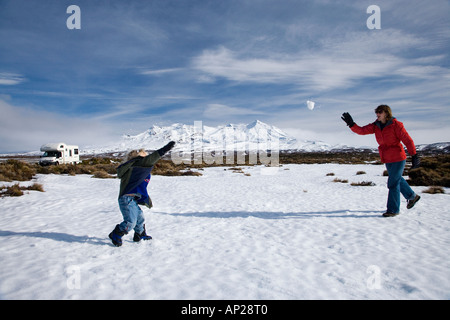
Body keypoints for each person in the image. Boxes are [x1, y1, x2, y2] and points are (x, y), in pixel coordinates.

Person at [341, 105, 421, 217]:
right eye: (376, 112)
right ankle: (412, 197)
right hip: (387, 158)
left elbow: (407, 140)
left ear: (386, 113)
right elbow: (362, 130)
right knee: (397, 179)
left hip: (398, 158)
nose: (377, 114)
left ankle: (393, 210)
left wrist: (414, 155)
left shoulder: (396, 125)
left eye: (380, 112)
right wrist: (351, 124)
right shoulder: (376, 125)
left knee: (393, 183)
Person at [109, 141, 175, 246]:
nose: (147, 158)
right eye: (145, 156)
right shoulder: (138, 164)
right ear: (139, 158)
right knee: (130, 222)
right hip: (126, 199)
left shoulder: (136, 167)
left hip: (132, 199)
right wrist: (165, 149)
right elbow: (152, 158)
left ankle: (139, 234)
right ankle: (116, 234)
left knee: (140, 218)